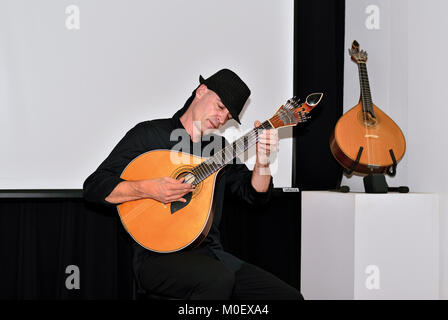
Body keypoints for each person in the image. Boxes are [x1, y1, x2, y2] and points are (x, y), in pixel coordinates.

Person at [83, 68, 302, 300]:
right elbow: (95, 187)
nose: (221, 118)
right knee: (218, 279)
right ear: (201, 91)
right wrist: (150, 188)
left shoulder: (220, 150)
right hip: (157, 257)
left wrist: (263, 160)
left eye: (228, 116)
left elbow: (254, 196)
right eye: (220, 107)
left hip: (211, 254)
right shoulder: (150, 135)